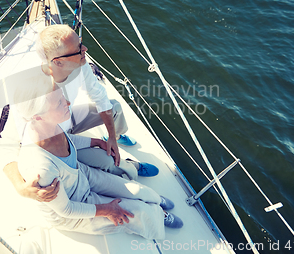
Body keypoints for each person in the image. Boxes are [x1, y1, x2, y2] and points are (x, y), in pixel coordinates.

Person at [1, 24, 157, 202]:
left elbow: (99, 96)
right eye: (78, 49)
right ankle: (129, 168)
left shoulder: (80, 66)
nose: (85, 49)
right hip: (53, 141)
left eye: (80, 43)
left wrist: (111, 136)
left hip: (69, 119)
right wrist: (21, 187)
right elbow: (6, 146)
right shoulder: (29, 90)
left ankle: (117, 139)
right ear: (58, 61)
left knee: (114, 108)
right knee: (107, 161)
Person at [14, 74, 183, 238]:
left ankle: (154, 199)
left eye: (63, 97)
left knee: (139, 190)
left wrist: (96, 142)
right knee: (138, 212)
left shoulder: (47, 126)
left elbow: (67, 139)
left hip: (81, 175)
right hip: (74, 207)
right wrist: (107, 209)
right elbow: (67, 210)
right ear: (38, 116)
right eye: (59, 103)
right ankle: (157, 215)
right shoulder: (41, 169)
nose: (68, 103)